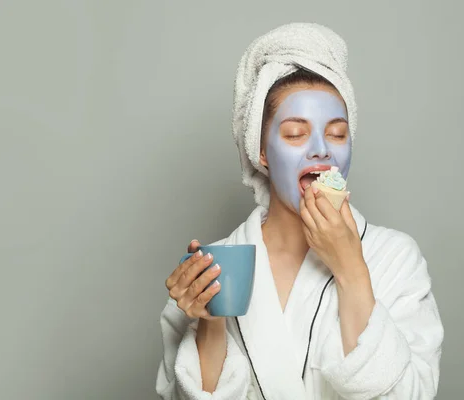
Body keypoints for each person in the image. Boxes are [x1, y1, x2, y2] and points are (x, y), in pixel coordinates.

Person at [156, 23, 443, 400]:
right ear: (260, 152)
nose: (322, 150)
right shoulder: (215, 268)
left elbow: (411, 394)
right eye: (295, 133)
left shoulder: (394, 257)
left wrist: (350, 267)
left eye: (338, 134)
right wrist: (209, 322)